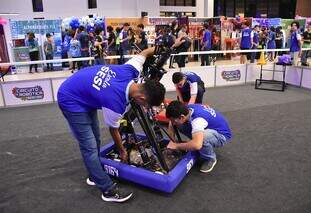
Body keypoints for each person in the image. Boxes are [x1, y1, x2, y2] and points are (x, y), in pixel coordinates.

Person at [57, 47, 166, 202]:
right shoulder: (116, 103)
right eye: (147, 105)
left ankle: (95, 173)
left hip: (83, 91)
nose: (146, 108)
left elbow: (144, 53)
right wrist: (122, 151)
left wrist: (167, 46)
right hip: (70, 99)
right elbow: (114, 130)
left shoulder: (131, 69)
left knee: (95, 139)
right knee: (89, 146)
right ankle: (107, 190)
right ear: (141, 97)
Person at [166, 101, 232, 173]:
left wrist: (176, 146)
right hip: (209, 126)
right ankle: (196, 138)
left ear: (182, 117)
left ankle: (210, 159)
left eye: (173, 120)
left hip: (221, 134)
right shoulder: (187, 109)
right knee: (179, 124)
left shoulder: (198, 121)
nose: (172, 122)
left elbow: (197, 145)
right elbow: (171, 123)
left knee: (201, 140)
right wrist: (172, 140)